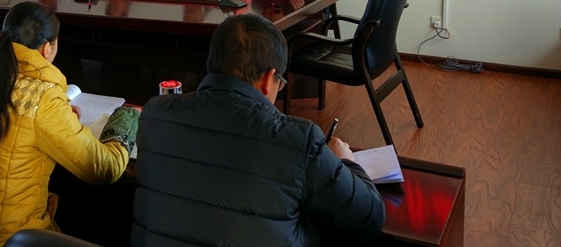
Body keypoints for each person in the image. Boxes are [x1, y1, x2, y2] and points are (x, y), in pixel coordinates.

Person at [132, 14, 385, 246]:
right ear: (267, 79)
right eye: (280, 82)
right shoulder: (298, 139)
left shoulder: (155, 114)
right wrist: (346, 162)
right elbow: (369, 217)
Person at [0, 1, 139, 247]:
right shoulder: (42, 98)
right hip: (10, 240)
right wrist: (127, 117)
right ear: (47, 49)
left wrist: (59, 118)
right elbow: (104, 168)